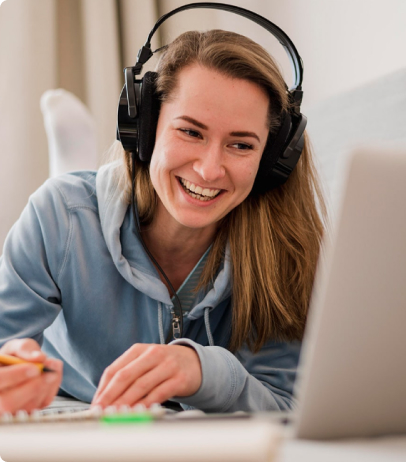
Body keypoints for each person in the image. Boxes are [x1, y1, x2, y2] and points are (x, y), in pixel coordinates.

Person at [0, 29, 326, 413]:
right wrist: (11, 367)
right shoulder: (58, 214)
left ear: (272, 160)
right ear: (145, 128)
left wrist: (205, 371)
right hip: (77, 403)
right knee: (76, 210)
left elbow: (292, 407)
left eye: (241, 144)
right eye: (190, 131)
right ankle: (74, 158)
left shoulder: (283, 249)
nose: (209, 170)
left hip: (173, 433)